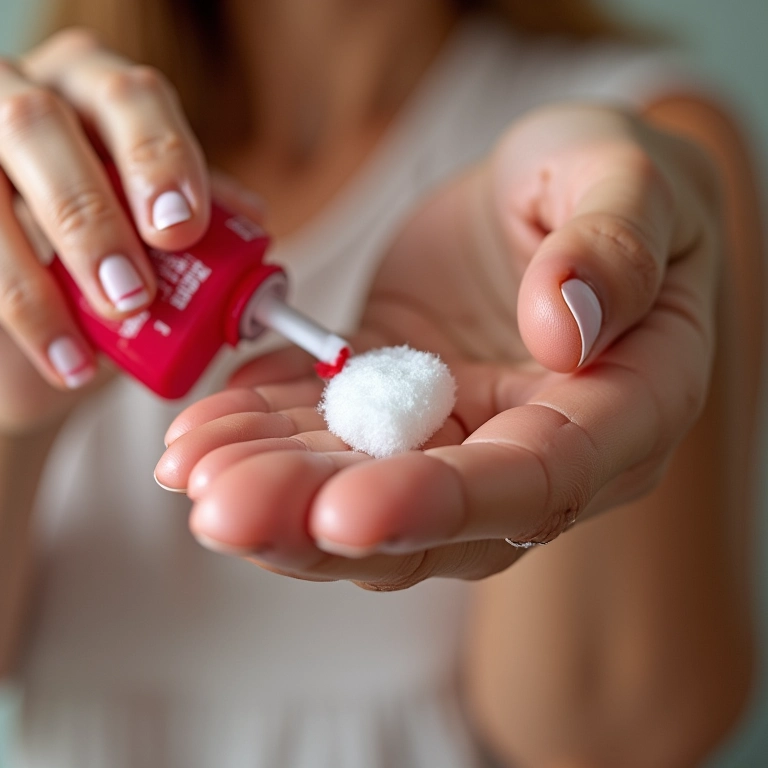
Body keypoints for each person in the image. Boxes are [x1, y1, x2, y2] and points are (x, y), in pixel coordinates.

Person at [0, 0, 763, 765]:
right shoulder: (55, 171)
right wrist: (12, 410)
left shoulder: (619, 148)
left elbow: (621, 740)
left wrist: (585, 358)